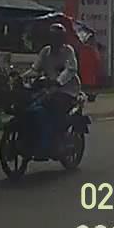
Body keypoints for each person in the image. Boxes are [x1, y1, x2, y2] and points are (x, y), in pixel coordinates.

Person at [28, 23, 81, 151]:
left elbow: (70, 69)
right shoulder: (45, 51)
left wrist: (58, 82)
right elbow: (35, 69)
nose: (54, 41)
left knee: (55, 109)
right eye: (52, 37)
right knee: (33, 105)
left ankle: (56, 140)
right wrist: (21, 76)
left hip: (68, 91)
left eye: (57, 38)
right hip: (49, 90)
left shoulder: (68, 51)